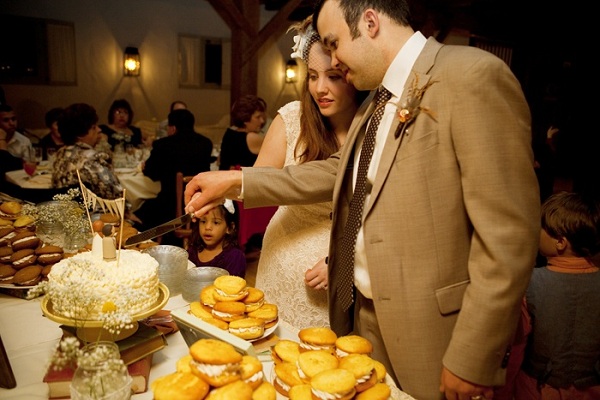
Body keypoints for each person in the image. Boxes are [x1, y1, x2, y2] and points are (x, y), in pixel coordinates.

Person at [183, 1, 540, 399]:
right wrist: (235, 182)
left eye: (334, 44)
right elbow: (339, 172)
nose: (332, 58)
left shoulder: (469, 75)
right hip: (361, 318)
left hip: (428, 327)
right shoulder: (376, 101)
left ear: (369, 23)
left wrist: (474, 355)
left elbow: (509, 236)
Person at [253, 15, 367, 329]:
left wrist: (347, 260)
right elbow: (260, 185)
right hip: (281, 267)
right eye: (313, 76)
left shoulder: (373, 129)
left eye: (333, 76)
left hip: (346, 281)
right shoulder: (291, 120)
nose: (320, 89)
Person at [513, 191, 600, 399]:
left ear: (560, 242)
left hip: (537, 390)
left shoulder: (530, 282)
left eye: (541, 228)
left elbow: (517, 346)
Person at [135, 108, 213, 246]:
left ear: (172, 128)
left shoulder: (162, 145)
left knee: (138, 213)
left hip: (168, 207)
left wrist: (144, 167)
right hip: (197, 205)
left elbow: (152, 174)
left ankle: (153, 244)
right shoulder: (205, 143)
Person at [52, 103, 124, 200]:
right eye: (94, 127)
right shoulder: (93, 159)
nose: (99, 130)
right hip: (93, 213)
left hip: (64, 211)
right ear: (80, 134)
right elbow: (117, 198)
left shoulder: (60, 154)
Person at [187, 200, 246, 278]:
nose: (207, 227)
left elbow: (233, 287)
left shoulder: (235, 257)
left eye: (216, 222)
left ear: (230, 228)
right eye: (203, 221)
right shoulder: (192, 251)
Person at [218, 95, 266, 171]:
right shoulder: (252, 137)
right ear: (245, 119)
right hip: (243, 182)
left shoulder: (229, 134)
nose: (262, 121)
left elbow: (220, 162)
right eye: (258, 117)